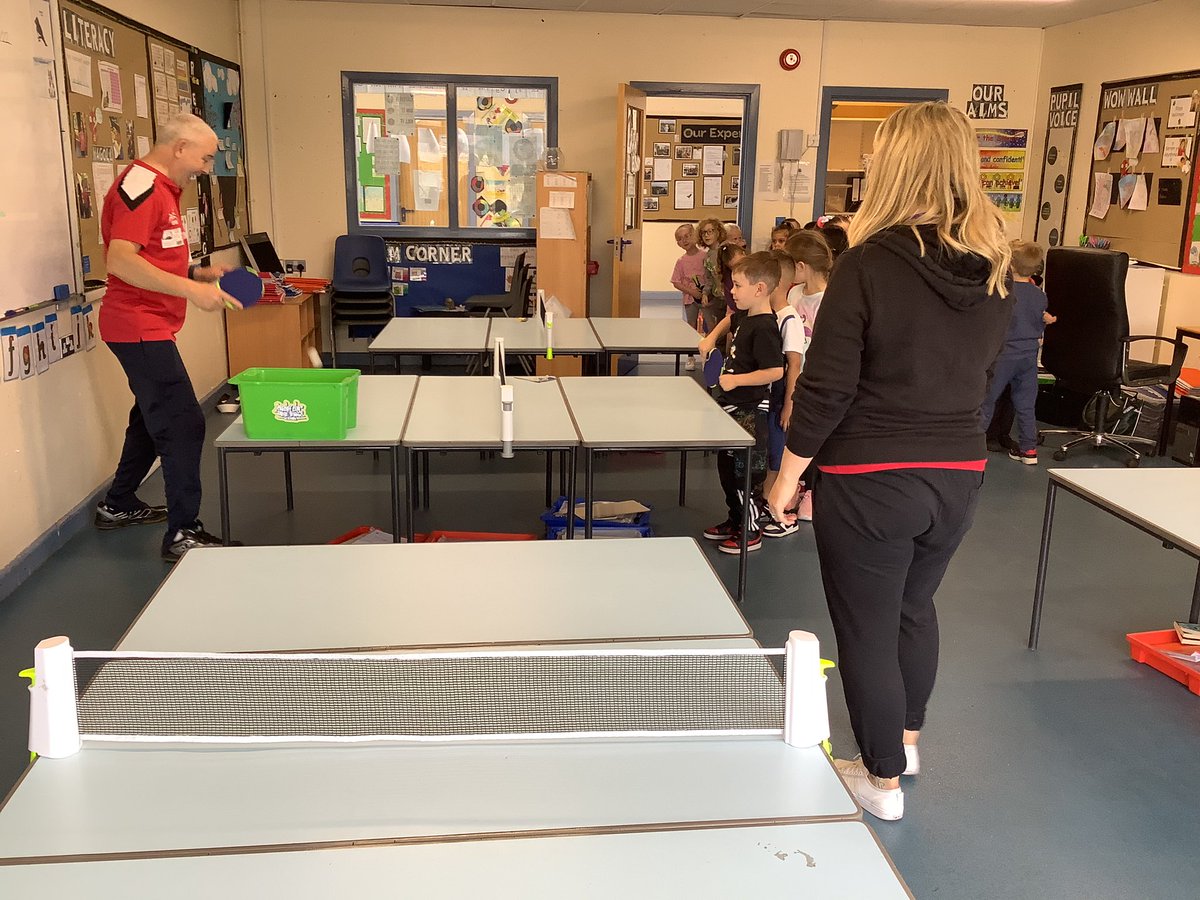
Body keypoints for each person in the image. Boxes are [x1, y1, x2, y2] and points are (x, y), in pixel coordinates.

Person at [767, 101, 1014, 821]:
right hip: (959, 475)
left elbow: (828, 385)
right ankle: (903, 744)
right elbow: (985, 376)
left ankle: (879, 782)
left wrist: (787, 477)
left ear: (896, 168)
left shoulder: (869, 264)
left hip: (872, 478)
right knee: (912, 608)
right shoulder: (996, 269)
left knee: (868, 626)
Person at [94, 113, 241, 562]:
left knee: (149, 417)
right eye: (205, 156)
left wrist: (199, 271)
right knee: (183, 423)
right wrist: (194, 290)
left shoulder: (162, 189)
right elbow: (121, 261)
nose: (206, 166)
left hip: (148, 325)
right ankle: (183, 533)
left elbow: (154, 256)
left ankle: (117, 503)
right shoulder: (140, 188)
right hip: (138, 326)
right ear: (179, 148)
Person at [702, 252, 783, 555]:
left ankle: (750, 530)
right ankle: (735, 519)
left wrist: (736, 381)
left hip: (750, 411)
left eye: (737, 286)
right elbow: (727, 320)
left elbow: (775, 371)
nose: (731, 292)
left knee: (745, 475)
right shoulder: (744, 317)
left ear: (760, 289)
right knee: (726, 469)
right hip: (731, 408)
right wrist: (710, 338)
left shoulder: (764, 327)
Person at [979, 240, 1054, 465]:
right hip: (1029, 357)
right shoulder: (1039, 295)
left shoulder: (1002, 291)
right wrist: (1046, 320)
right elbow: (1038, 320)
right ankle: (1029, 449)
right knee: (1026, 404)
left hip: (1004, 356)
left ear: (1009, 266)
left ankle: (973, 446)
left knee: (987, 400)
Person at [782, 230, 834, 522]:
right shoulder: (794, 293)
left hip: (816, 377)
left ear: (800, 266)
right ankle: (795, 483)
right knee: (794, 430)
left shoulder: (830, 298)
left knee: (815, 433)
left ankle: (812, 490)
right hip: (795, 371)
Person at [761, 250, 805, 538]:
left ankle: (782, 514)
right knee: (768, 457)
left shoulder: (790, 320)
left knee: (778, 459)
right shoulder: (768, 316)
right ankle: (766, 503)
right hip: (767, 401)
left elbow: (794, 366)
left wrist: (789, 405)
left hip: (781, 402)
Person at [670, 223, 706, 370]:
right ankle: (690, 356)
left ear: (695, 236)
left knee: (708, 326)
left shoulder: (705, 256)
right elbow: (676, 282)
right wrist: (692, 292)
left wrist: (704, 293)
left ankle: (707, 355)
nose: (684, 240)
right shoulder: (681, 262)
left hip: (706, 298)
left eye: (687, 236)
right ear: (678, 243)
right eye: (680, 238)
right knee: (691, 326)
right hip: (690, 300)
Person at [696, 218, 727, 333]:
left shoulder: (724, 251)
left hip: (728, 296)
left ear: (718, 233)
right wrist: (705, 293)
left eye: (710, 231)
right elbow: (709, 278)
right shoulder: (707, 256)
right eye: (704, 232)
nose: (707, 235)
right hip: (717, 296)